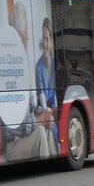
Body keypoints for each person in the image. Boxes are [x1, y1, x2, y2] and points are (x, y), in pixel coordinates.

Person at [33, 18, 58, 156]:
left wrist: (55, 110)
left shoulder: (56, 64)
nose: (45, 43)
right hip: (46, 111)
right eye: (43, 38)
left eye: (48, 39)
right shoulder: (38, 66)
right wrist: (48, 112)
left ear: (52, 42)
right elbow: (41, 94)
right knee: (51, 127)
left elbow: (57, 93)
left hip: (56, 110)